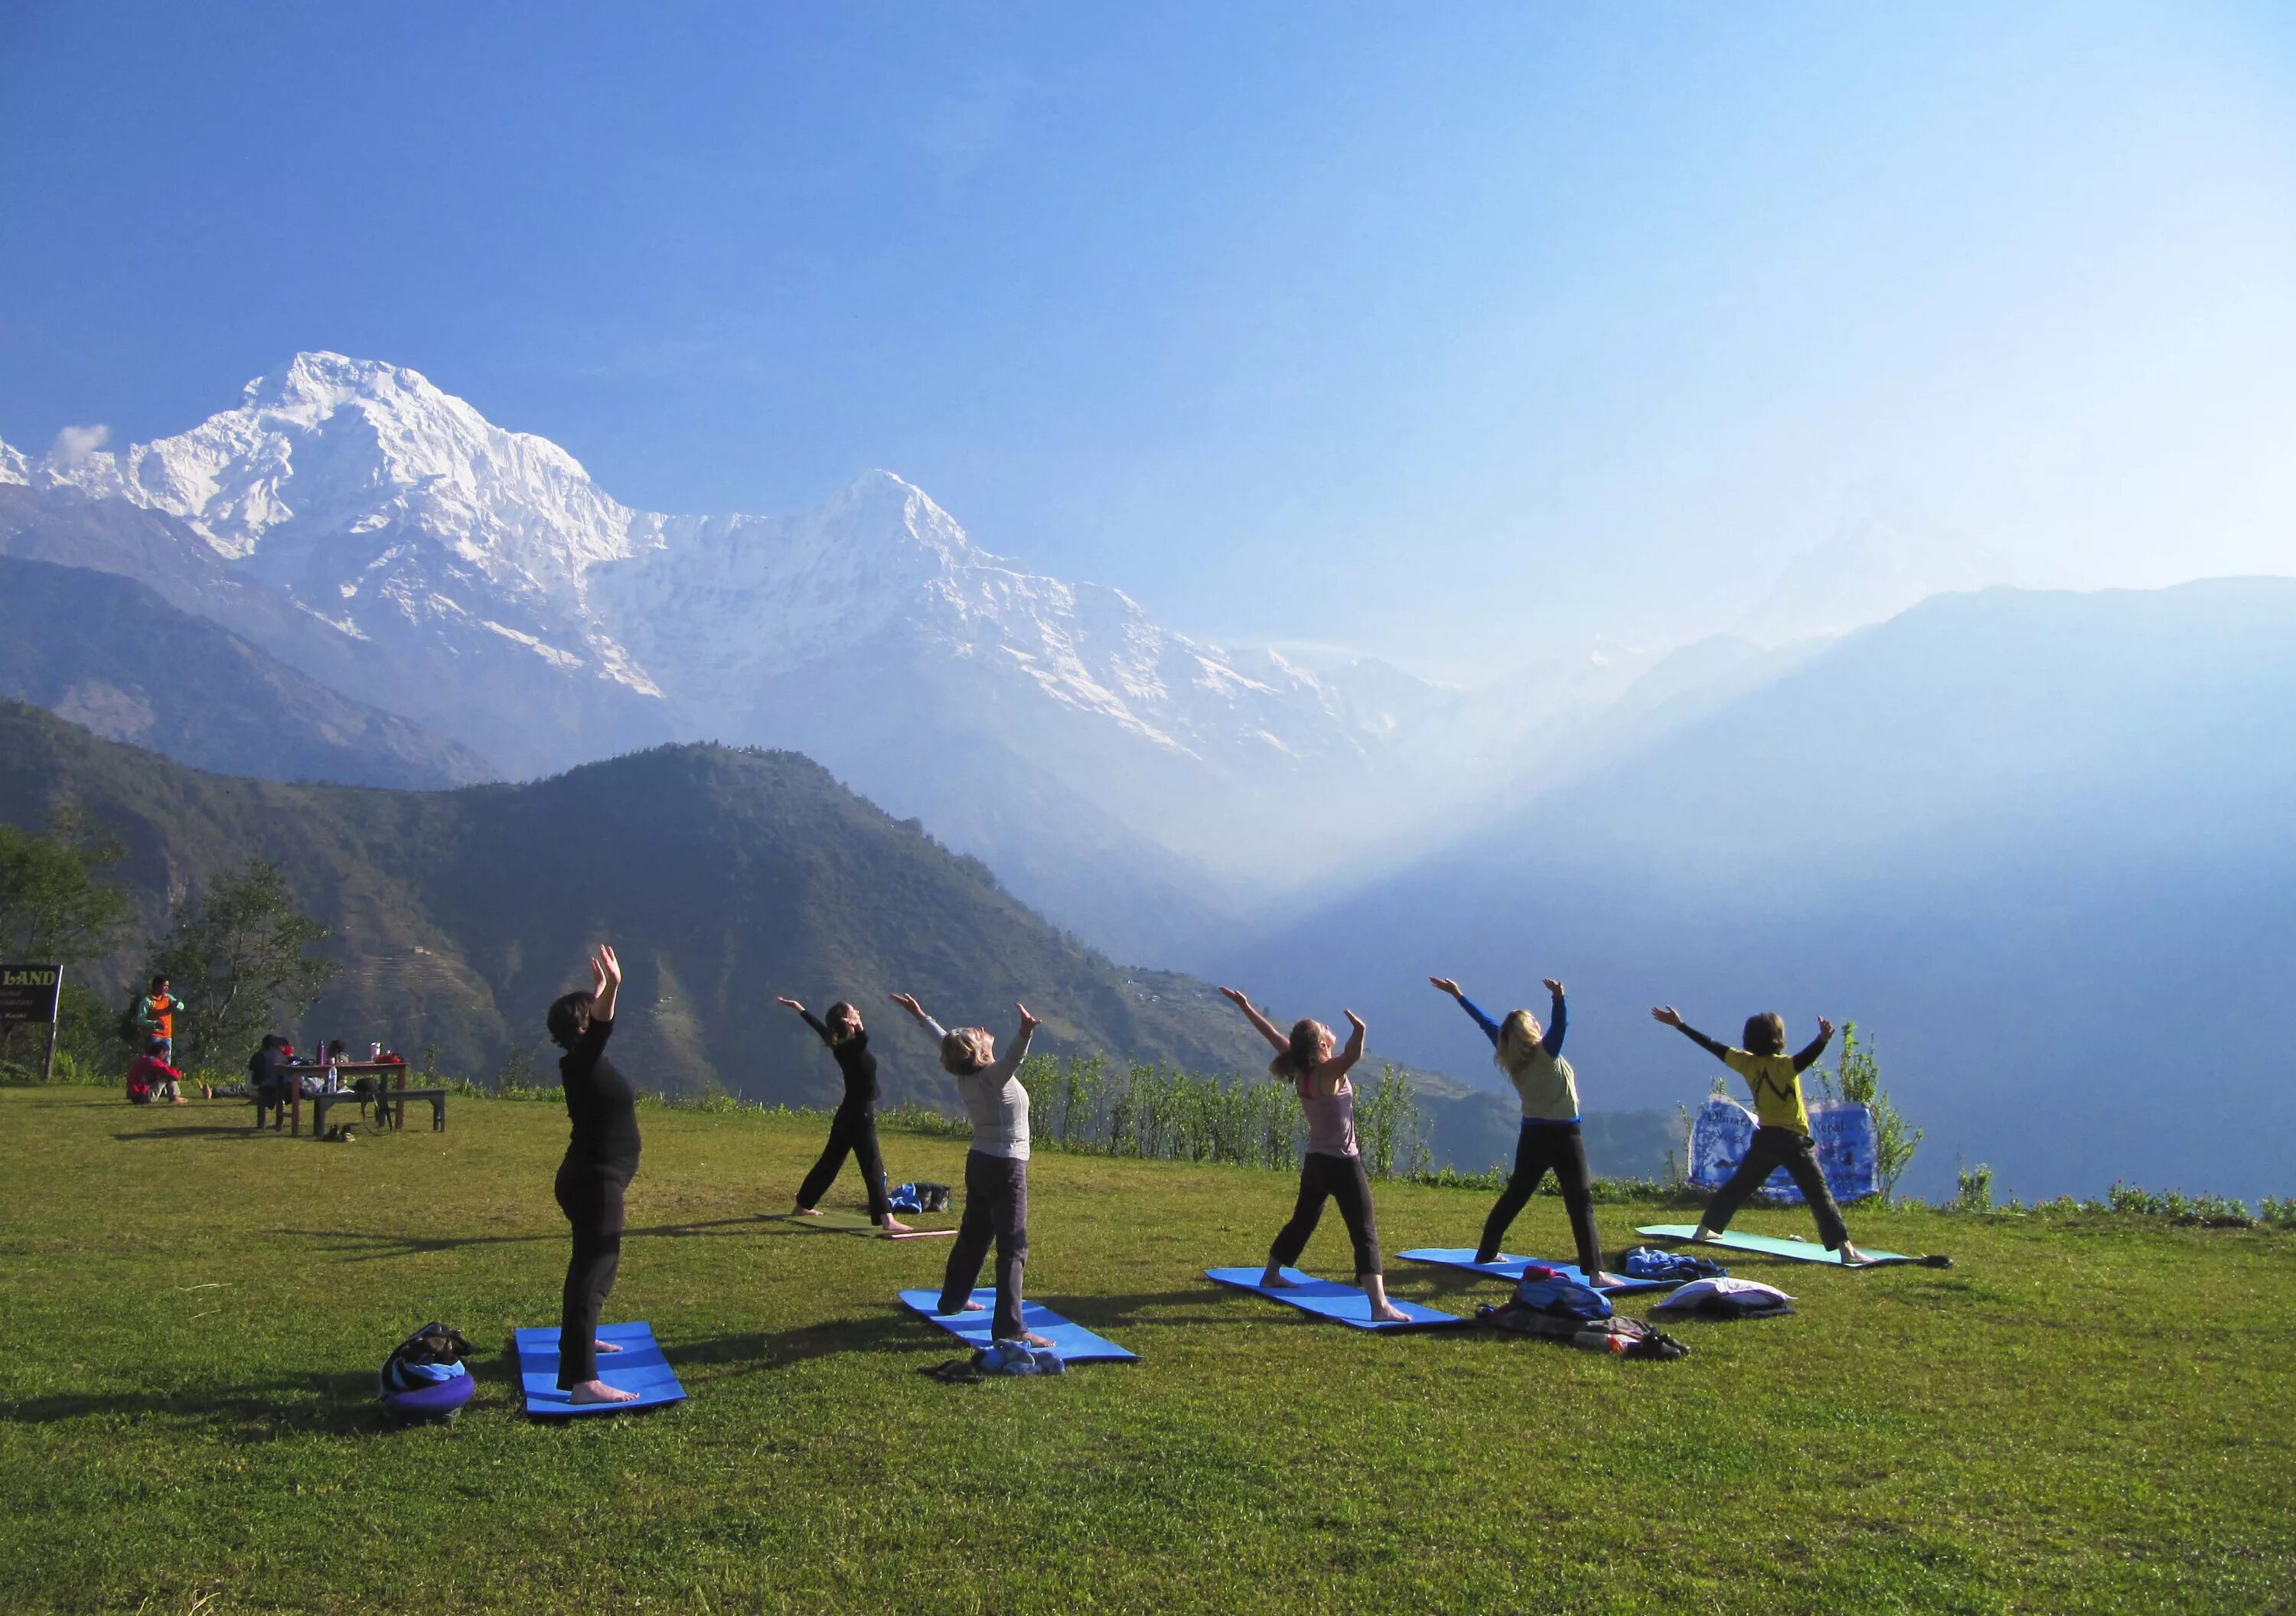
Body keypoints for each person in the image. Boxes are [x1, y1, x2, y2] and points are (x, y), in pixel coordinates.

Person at [1218, 987, 1409, 1323]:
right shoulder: (1327, 1072)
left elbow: (1271, 1035)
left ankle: (1272, 1274)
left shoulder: (1300, 1066)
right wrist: (1360, 1030)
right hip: (1343, 1164)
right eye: (1323, 1030)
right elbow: (1353, 1056)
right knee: (1364, 1232)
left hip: (1316, 1162)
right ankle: (1379, 1307)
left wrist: (1246, 1006)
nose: (1326, 1028)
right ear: (1321, 1045)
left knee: (1303, 1220)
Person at [1430, 975, 1619, 1285]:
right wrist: (1559, 997)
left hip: (1533, 1135)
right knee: (1579, 1201)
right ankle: (1596, 1272)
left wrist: (1458, 995)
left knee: (1517, 1194)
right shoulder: (1547, 1054)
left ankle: (1488, 1252)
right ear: (1529, 1030)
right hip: (1565, 1136)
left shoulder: (1508, 1053)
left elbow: (1486, 1023)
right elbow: (1561, 1026)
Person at [1650, 1004, 1875, 1266]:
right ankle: (1845, 1249)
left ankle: (1705, 1229)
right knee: (1818, 1194)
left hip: (1765, 1139)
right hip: (1792, 1142)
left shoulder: (1746, 1063)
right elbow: (1806, 1058)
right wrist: (1822, 1040)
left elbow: (1713, 1046)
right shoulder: (1784, 1066)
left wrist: (1681, 1025)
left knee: (1738, 1186)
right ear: (1777, 1039)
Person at [889, 992, 1051, 1347]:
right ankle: (1011, 1328)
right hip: (1005, 1167)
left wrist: (921, 1016)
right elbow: (1014, 1056)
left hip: (978, 1162)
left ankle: (953, 1300)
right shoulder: (994, 1077)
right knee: (1013, 1247)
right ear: (980, 1054)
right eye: (976, 1035)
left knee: (974, 1235)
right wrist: (1026, 1030)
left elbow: (946, 1041)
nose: (979, 1029)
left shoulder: (967, 1074)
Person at [547, 945, 641, 1403]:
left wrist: (604, 990)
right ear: (583, 1026)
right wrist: (614, 986)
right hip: (595, 1181)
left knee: (596, 1267)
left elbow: (600, 1025)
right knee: (593, 1270)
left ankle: (578, 1342)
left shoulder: (583, 1062)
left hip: (593, 1179)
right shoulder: (583, 1061)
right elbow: (604, 1025)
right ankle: (583, 1380)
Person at [778, 995, 911, 1233]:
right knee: (872, 1164)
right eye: (854, 1012)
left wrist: (800, 1008)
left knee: (830, 1161)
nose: (859, 1012)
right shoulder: (852, 1046)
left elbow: (820, 1027)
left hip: (847, 1113)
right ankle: (887, 1219)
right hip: (860, 1113)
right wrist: (856, 1024)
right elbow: (864, 1037)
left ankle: (803, 1204)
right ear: (847, 1021)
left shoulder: (838, 1043)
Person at [134, 976, 184, 1066]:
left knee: (166, 1061)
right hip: (154, 1036)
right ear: (157, 986)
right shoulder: (148, 1001)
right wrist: (154, 1024)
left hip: (167, 1035)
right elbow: (140, 1020)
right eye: (164, 986)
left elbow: (181, 1006)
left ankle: (164, 1079)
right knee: (153, 1061)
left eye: (167, 986)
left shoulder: (168, 998)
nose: (166, 988)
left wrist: (176, 1005)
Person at [248, 1034, 292, 1130]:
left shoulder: (258, 1055)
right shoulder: (283, 1057)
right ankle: (279, 1123)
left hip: (263, 1086)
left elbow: (251, 1076)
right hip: (283, 1086)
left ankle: (261, 1123)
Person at [128, 1037, 185, 1105]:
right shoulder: (153, 1061)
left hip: (135, 1096)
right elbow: (171, 1074)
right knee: (168, 1076)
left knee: (161, 1075)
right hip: (145, 1096)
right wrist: (178, 1074)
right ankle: (175, 1098)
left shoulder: (144, 1059)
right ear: (161, 1052)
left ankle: (171, 1096)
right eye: (165, 1053)